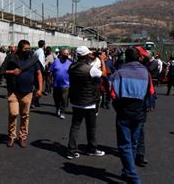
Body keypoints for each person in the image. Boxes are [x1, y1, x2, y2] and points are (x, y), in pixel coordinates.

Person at [109, 47, 154, 184]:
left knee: (124, 145)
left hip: (124, 110)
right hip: (139, 110)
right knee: (133, 143)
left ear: (125, 58)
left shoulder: (119, 73)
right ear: (139, 57)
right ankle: (127, 171)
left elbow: (112, 94)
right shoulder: (146, 73)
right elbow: (150, 92)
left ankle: (134, 177)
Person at [66, 46, 106, 159]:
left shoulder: (72, 67)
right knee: (91, 127)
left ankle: (71, 150)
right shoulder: (90, 69)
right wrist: (102, 60)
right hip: (89, 102)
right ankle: (91, 149)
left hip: (76, 100)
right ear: (86, 55)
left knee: (75, 126)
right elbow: (104, 74)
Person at [1, 39, 43, 148]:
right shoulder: (11, 58)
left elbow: (39, 74)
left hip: (27, 92)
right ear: (19, 49)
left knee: (25, 115)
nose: (27, 51)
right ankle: (11, 136)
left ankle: (23, 137)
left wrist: (40, 89)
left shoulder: (33, 59)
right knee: (13, 113)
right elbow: (1, 71)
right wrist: (11, 72)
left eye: (29, 49)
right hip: (13, 91)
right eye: (25, 49)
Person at [49, 49, 72, 119]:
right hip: (56, 85)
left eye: (67, 54)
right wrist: (50, 81)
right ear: (61, 54)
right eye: (64, 53)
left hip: (66, 85)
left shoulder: (70, 63)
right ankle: (57, 108)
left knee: (64, 100)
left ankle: (63, 112)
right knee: (56, 99)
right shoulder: (56, 62)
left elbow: (72, 74)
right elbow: (50, 72)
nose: (66, 55)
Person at [32, 40, 46, 108]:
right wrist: (42, 70)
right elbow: (40, 62)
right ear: (44, 45)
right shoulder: (41, 52)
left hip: (35, 70)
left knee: (37, 86)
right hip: (39, 71)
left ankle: (36, 101)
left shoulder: (36, 51)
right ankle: (34, 101)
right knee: (39, 87)